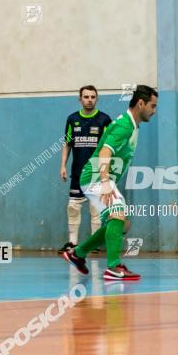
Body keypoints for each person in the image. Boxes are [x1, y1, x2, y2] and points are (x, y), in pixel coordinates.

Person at [61, 85, 157, 280]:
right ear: (141, 103)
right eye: (152, 106)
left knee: (122, 224)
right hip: (95, 176)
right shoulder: (124, 126)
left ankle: (77, 253)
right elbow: (105, 151)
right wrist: (105, 182)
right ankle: (113, 267)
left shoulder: (131, 123)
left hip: (99, 176)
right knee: (117, 214)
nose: (154, 111)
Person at [59, 85, 111, 252]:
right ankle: (73, 243)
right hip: (77, 172)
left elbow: (109, 147)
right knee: (73, 206)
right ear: (80, 99)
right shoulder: (72, 119)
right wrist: (63, 166)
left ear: (97, 99)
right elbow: (67, 144)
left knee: (95, 207)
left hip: (96, 172)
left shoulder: (104, 120)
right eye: (86, 97)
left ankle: (93, 243)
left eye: (92, 97)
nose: (89, 100)